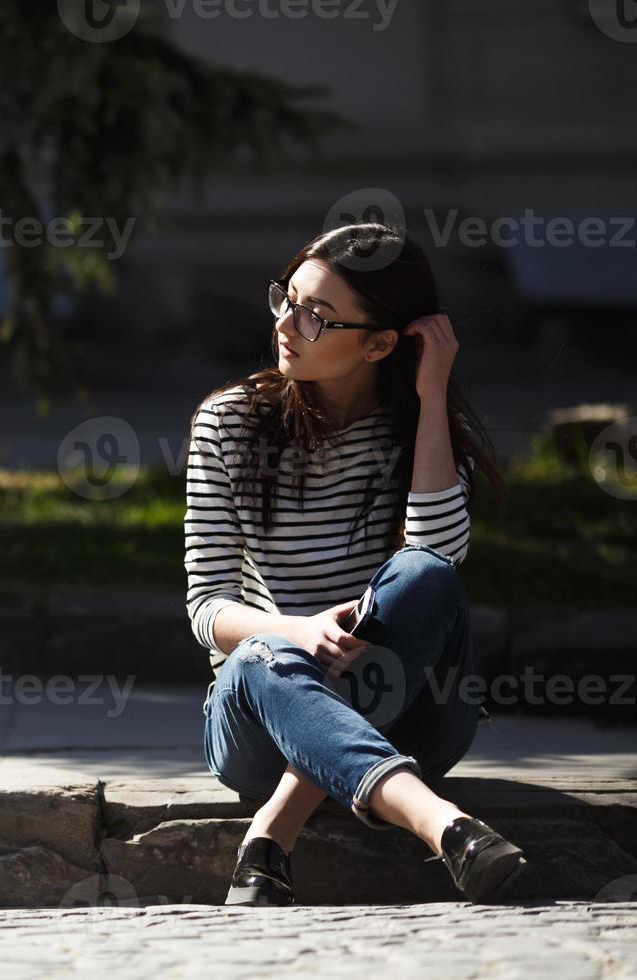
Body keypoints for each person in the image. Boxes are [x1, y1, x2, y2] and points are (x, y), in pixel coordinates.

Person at [184, 223, 526, 905]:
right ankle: (444, 826)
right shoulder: (227, 424)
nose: (287, 323)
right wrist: (299, 633)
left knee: (425, 574)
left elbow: (437, 554)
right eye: (287, 299)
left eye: (316, 316)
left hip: (414, 715)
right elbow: (207, 608)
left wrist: (432, 399)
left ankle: (275, 829)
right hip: (260, 727)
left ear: (379, 343)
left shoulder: (414, 430)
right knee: (257, 654)